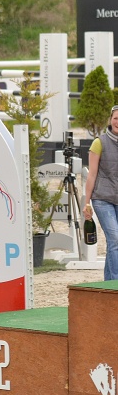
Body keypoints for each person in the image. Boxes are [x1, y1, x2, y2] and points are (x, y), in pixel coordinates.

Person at [83, 104, 118, 281]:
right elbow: (92, 174)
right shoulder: (99, 143)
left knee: (116, 243)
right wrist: (87, 202)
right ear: (110, 120)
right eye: (116, 118)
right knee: (115, 239)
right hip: (103, 199)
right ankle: (115, 283)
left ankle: (108, 284)